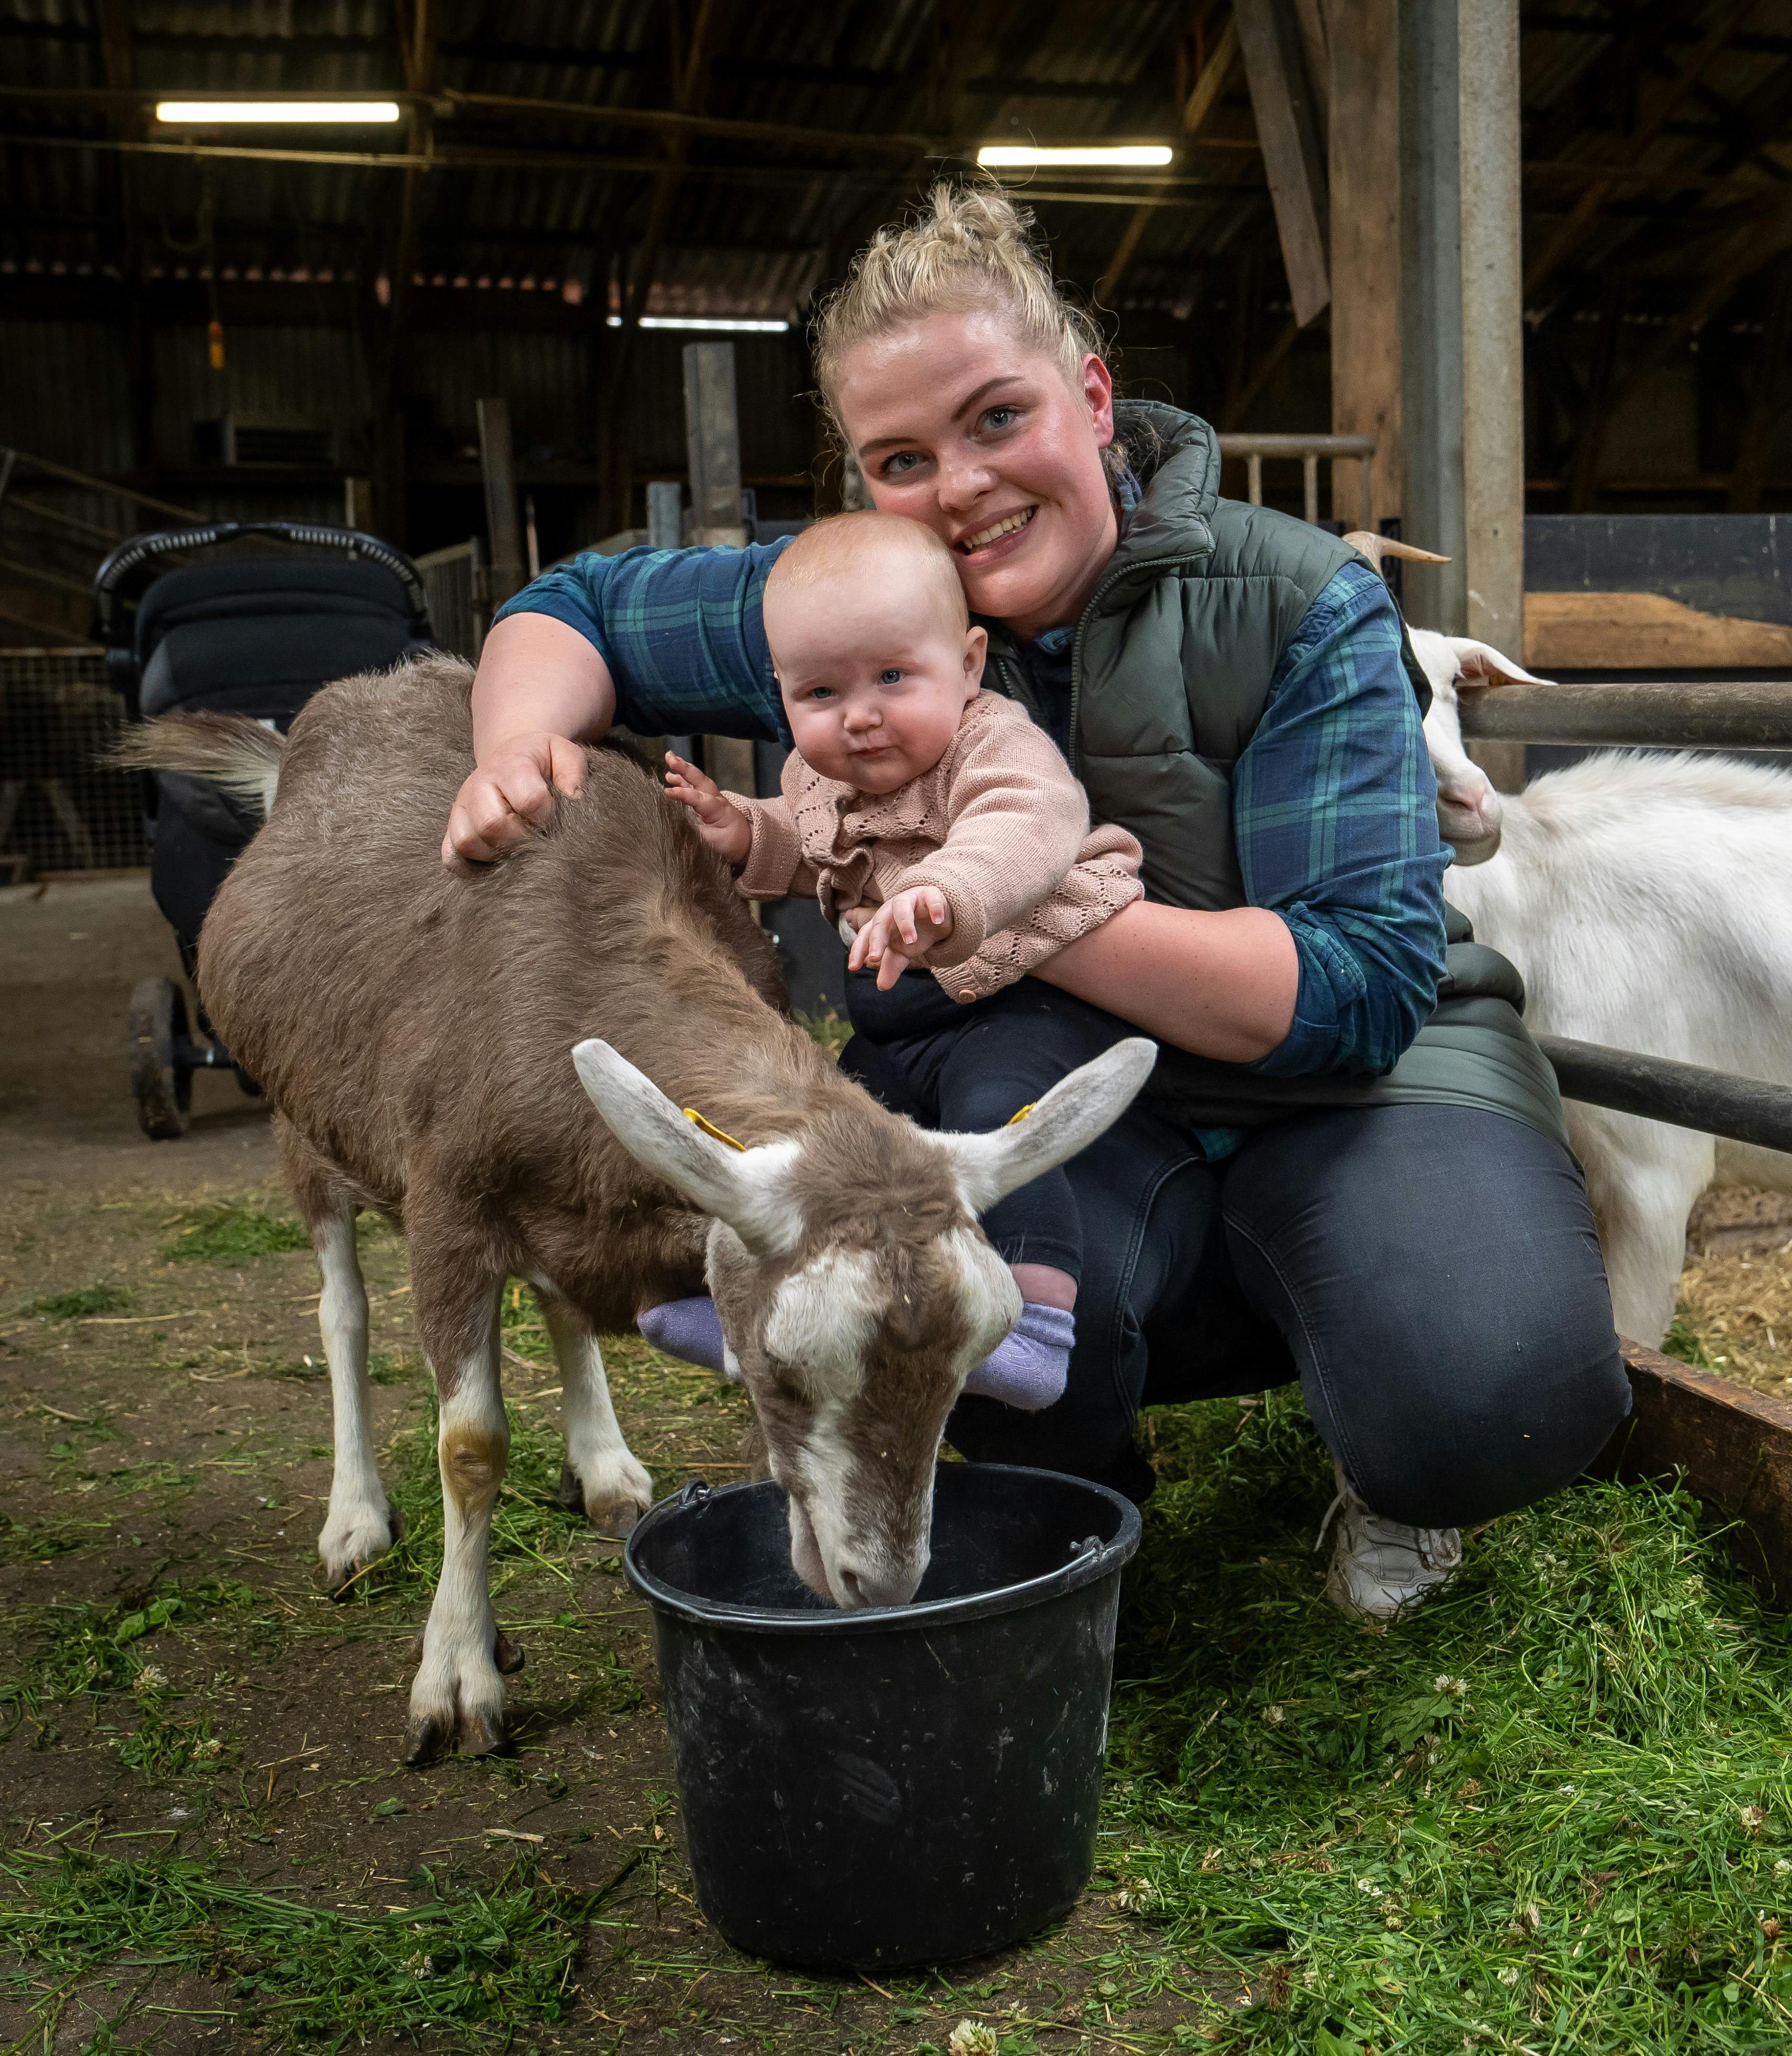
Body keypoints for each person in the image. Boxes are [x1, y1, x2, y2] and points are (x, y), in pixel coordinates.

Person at [442, 184, 1627, 1619]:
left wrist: (1017, 911)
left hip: (1351, 1093)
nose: (958, 486)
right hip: (1035, 1102)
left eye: (998, 418)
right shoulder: (853, 615)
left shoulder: (1293, 598)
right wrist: (516, 745)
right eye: (899, 458)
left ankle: (1383, 1419)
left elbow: (1359, 988)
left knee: (1483, 1392)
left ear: (1092, 395)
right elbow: (567, 609)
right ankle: (1077, 1501)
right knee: (928, 1342)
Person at [652, 508, 1145, 1411]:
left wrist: (944, 893)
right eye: (821, 695)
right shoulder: (822, 778)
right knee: (830, 1139)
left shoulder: (992, 742)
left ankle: (1037, 1327)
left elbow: (1025, 824)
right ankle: (756, 1310)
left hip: (1019, 995)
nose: (862, 717)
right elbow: (817, 850)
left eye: (890, 677)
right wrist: (744, 831)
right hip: (899, 1017)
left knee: (1003, 1120)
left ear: (964, 665)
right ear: (783, 695)